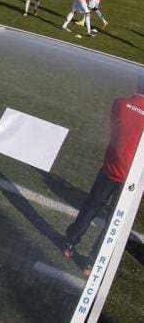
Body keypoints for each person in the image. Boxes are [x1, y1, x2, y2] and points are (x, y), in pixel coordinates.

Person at [63, 76, 144, 276]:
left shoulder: (120, 104)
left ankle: (69, 242)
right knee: (113, 219)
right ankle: (91, 262)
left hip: (110, 168)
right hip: (130, 178)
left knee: (90, 208)